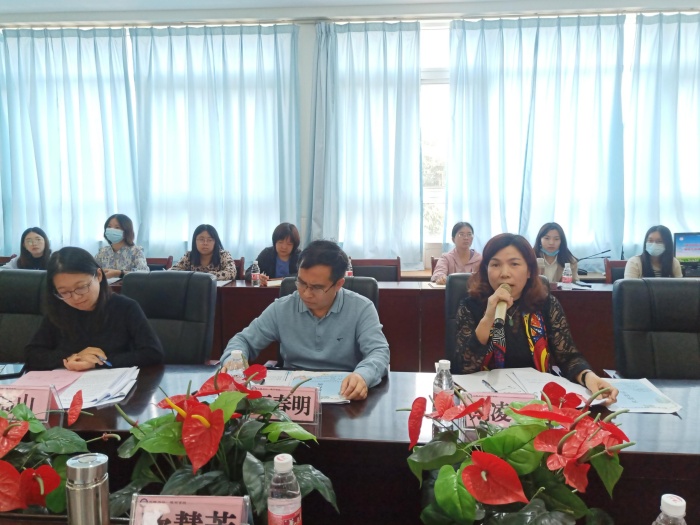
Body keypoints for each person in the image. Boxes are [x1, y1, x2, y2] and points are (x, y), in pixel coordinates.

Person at [454, 233, 618, 404]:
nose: (504, 273)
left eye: (514, 264)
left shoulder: (545, 304)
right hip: (485, 402)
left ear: (530, 271)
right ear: (486, 269)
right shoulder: (471, 305)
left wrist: (589, 377)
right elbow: (463, 368)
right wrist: (488, 317)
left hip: (537, 402)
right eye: (495, 264)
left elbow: (568, 358)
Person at [221, 240, 390, 401]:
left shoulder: (361, 308)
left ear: (339, 284)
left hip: (345, 395)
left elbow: (378, 351)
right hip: (292, 398)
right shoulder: (282, 308)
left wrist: (362, 376)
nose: (306, 293)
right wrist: (233, 361)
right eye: (301, 283)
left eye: (317, 287)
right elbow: (243, 340)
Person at [25, 247, 164, 371]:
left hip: (114, 385)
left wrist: (98, 362)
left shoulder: (126, 308)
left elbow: (153, 353)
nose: (76, 297)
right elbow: (32, 354)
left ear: (99, 275)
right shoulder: (59, 308)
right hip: (66, 384)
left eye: (81, 287)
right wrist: (73, 356)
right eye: (64, 292)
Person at [171, 224, 237, 281]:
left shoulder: (223, 255)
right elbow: (172, 272)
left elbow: (232, 272)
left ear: (215, 242)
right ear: (195, 241)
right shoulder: (189, 255)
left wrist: (203, 276)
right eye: (201, 239)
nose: (205, 243)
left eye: (209, 240)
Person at [94, 214, 149, 278]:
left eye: (117, 227)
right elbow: (91, 271)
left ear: (126, 231)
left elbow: (144, 274)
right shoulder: (103, 252)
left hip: (128, 284)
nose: (112, 230)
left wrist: (119, 273)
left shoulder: (136, 251)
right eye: (109, 226)